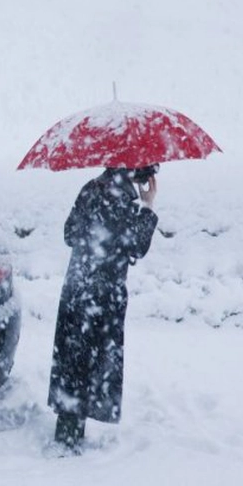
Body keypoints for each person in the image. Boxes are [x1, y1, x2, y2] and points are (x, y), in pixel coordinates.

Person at [47, 164, 159, 455]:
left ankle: (68, 431)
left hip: (77, 288)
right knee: (91, 362)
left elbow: (70, 233)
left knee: (74, 360)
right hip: (102, 293)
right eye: (147, 170)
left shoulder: (91, 187)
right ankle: (69, 440)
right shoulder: (120, 198)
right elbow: (135, 246)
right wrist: (146, 208)